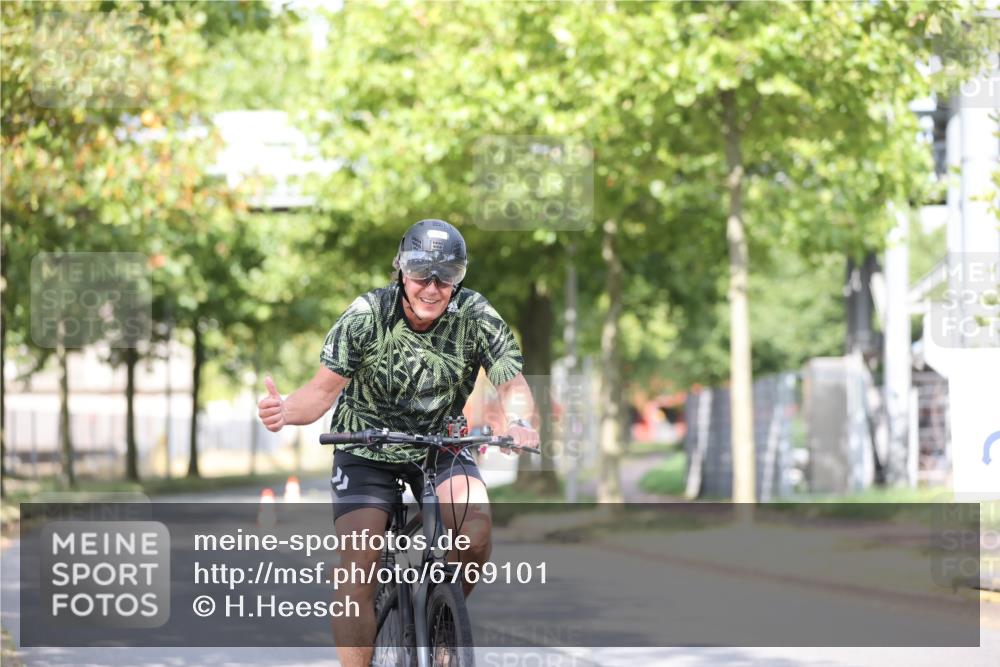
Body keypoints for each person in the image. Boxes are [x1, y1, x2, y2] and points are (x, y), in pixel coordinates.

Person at [257, 219, 540, 667]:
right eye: (422, 274)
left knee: (475, 532)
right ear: (402, 271)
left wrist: (520, 420)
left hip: (441, 444)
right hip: (366, 445)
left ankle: (442, 618)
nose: (432, 287)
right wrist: (286, 410)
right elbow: (321, 392)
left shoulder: (475, 314)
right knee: (359, 568)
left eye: (446, 276)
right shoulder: (367, 314)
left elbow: (511, 380)